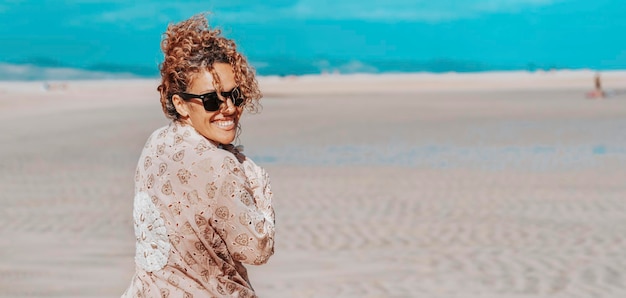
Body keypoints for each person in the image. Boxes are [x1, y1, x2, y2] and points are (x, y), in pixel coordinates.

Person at [122, 13, 275, 298]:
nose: (228, 108)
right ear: (180, 104)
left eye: (235, 95)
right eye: (211, 100)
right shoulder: (221, 166)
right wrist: (258, 183)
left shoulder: (156, 142)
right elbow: (257, 249)